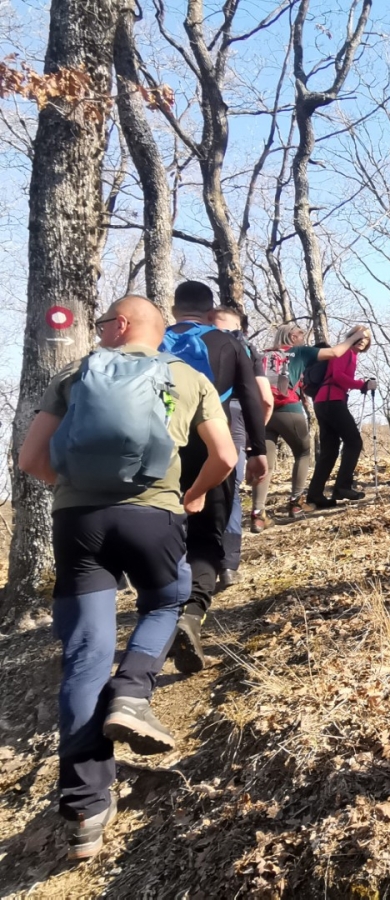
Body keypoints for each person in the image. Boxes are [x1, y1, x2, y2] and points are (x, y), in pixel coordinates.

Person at [17, 295, 237, 860]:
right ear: (155, 331)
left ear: (120, 325)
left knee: (85, 656)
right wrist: (190, 495)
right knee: (167, 599)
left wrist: (67, 492)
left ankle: (84, 809)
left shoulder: (75, 373)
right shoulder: (186, 376)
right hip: (153, 515)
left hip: (78, 523)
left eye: (104, 322)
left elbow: (30, 460)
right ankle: (134, 692)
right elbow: (226, 457)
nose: (102, 331)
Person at [163, 281, 269, 675]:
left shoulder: (151, 340)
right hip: (214, 443)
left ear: (173, 310)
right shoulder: (228, 343)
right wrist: (257, 451)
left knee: (162, 527)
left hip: (159, 449)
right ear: (210, 313)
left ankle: (160, 613)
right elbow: (252, 397)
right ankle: (190, 613)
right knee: (208, 532)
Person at [253, 322, 368, 527]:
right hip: (301, 406)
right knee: (327, 447)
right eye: (299, 333)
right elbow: (336, 365)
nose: (302, 335)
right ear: (291, 336)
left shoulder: (263, 354)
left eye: (366, 339)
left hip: (265, 409)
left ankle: (259, 514)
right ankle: (307, 499)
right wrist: (362, 382)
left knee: (271, 464)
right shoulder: (301, 352)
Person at [210, 306, 272, 589]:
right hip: (233, 415)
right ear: (241, 326)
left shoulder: (193, 340)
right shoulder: (245, 346)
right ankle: (228, 563)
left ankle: (189, 561)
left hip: (188, 414)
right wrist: (254, 439)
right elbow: (265, 399)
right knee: (229, 488)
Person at [306, 328, 377, 505]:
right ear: (352, 337)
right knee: (354, 441)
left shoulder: (350, 354)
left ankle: (315, 495)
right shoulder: (345, 352)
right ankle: (342, 487)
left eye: (366, 338)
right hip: (332, 401)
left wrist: (359, 384)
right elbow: (338, 376)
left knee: (330, 449)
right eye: (360, 336)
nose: (363, 340)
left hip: (325, 402)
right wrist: (362, 385)